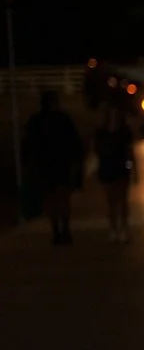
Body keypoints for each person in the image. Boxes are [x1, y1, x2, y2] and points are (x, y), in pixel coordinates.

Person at [21, 90, 84, 245]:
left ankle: (60, 229)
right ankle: (60, 229)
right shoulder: (56, 120)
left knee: (57, 198)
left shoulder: (40, 121)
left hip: (52, 164)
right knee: (56, 198)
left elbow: (28, 144)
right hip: (53, 164)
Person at [93, 104, 136, 242]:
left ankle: (123, 228)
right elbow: (96, 151)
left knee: (122, 201)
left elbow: (129, 152)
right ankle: (113, 228)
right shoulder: (101, 133)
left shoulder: (124, 132)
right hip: (106, 169)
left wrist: (132, 168)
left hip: (120, 169)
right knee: (110, 202)